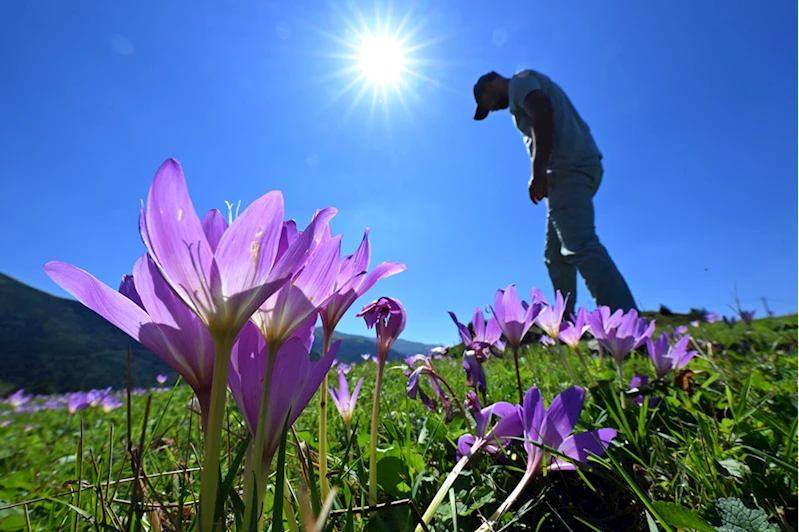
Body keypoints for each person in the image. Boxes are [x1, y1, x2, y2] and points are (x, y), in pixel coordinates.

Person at [472, 69, 637, 316]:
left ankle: (626, 328)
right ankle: (566, 325)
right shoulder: (525, 85)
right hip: (571, 170)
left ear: (491, 84)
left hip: (568, 169)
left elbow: (543, 113)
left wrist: (538, 171)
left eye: (487, 103)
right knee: (555, 256)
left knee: (579, 244)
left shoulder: (519, 83)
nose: (493, 110)